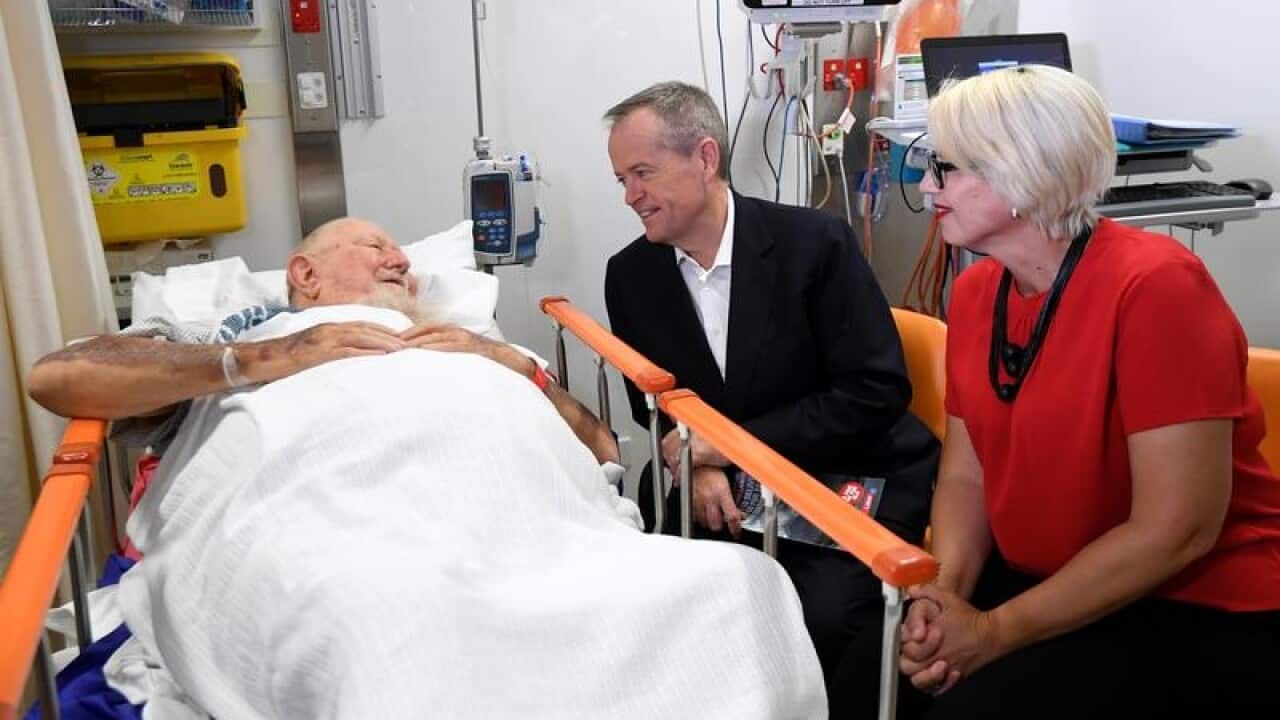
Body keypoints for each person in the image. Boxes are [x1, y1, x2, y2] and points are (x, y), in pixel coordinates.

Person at [881, 65, 1280, 718]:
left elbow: (1176, 531)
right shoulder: (979, 292)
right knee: (870, 663)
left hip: (1198, 599)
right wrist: (944, 597)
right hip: (1052, 574)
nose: (927, 187)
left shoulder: (1156, 288)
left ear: (1020, 173)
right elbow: (966, 479)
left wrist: (993, 632)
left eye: (945, 168)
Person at [602, 81, 939, 693]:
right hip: (726, 491)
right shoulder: (631, 276)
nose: (631, 196)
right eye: (622, 179)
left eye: (642, 173)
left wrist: (727, 448)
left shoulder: (816, 245)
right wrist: (698, 463)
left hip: (842, 476)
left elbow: (875, 390)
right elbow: (653, 409)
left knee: (818, 620)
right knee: (683, 606)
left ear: (705, 158)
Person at [28, 216, 618, 465]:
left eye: (401, 256)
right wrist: (266, 357)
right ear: (305, 275)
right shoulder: (247, 337)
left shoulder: (475, 344)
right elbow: (56, 376)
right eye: (374, 247)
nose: (400, 260)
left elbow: (605, 451)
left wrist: (515, 364)